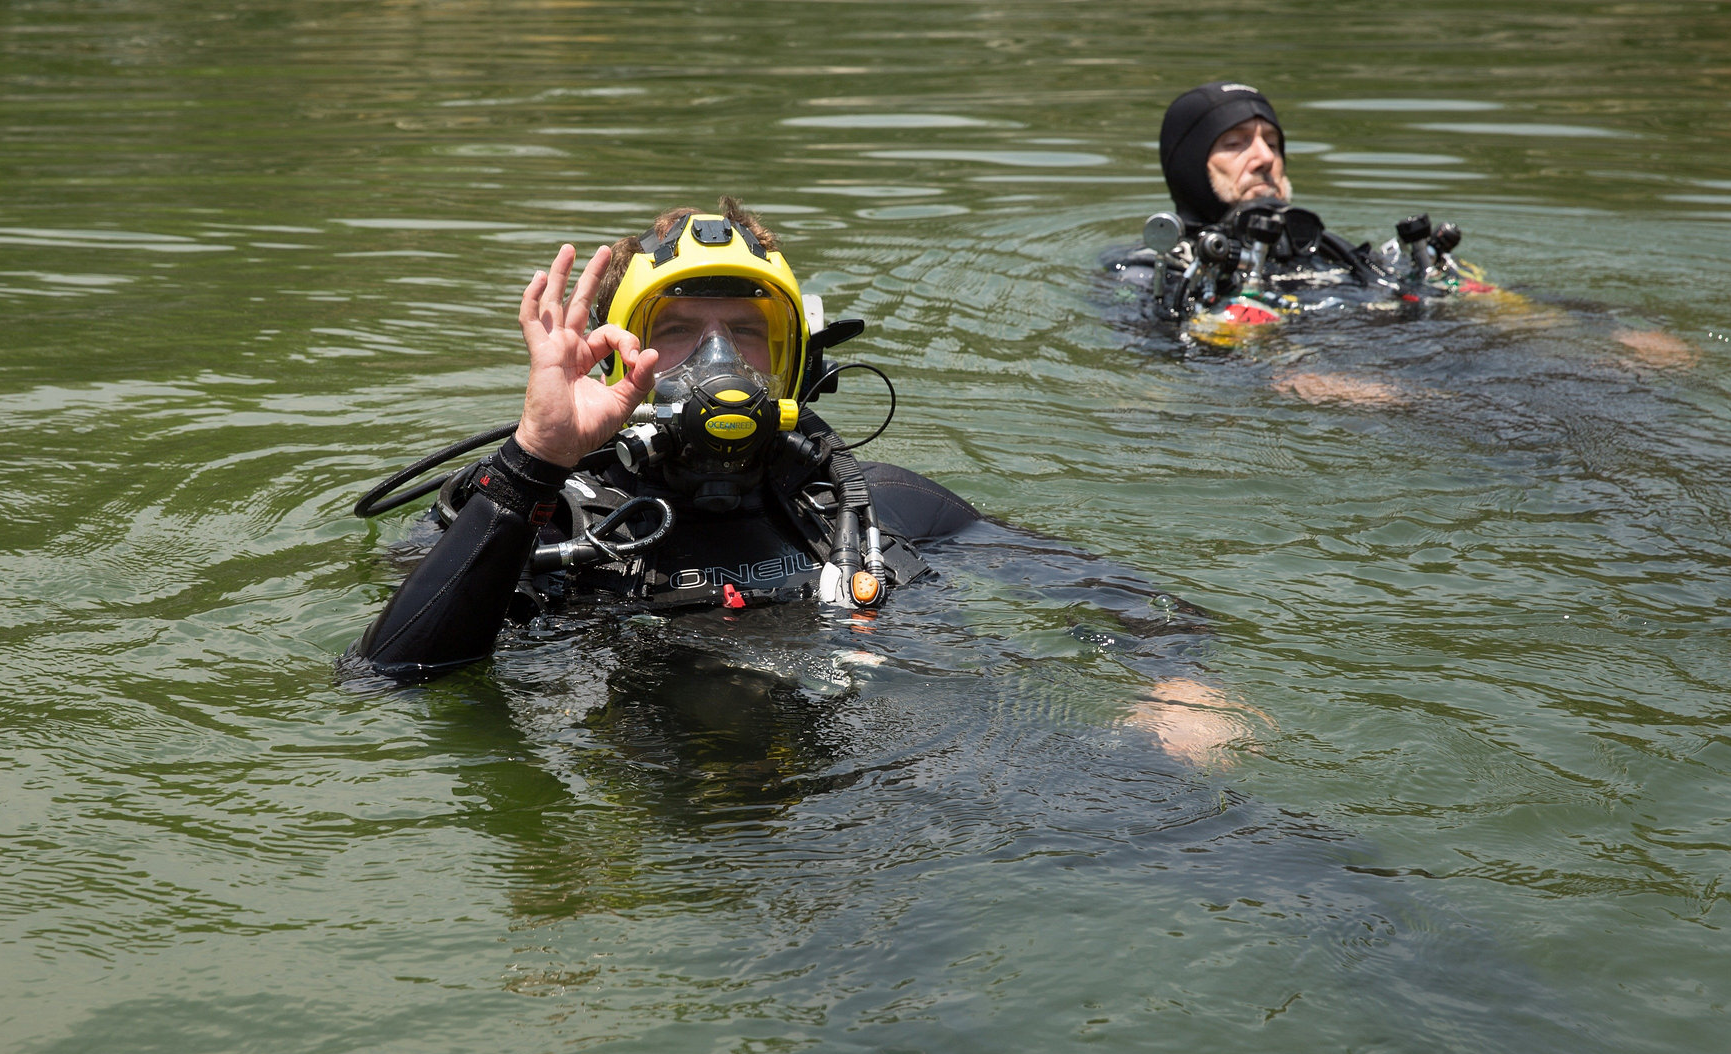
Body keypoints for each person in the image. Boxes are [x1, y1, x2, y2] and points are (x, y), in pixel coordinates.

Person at [347, 198, 1259, 766]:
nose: (716, 361)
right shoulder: (532, 519)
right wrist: (536, 458)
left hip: (917, 780)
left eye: (746, 333)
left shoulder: (881, 506)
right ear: (610, 347)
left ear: (794, 359)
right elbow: (390, 675)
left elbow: (1129, 599)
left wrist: (1178, 682)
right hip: (683, 831)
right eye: (677, 330)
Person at [1105, 81, 1497, 353]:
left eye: (1272, 142)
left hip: (1431, 345)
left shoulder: (1331, 250)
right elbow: (1157, 356)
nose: (1264, 157)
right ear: (1189, 165)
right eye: (1235, 143)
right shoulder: (1153, 271)